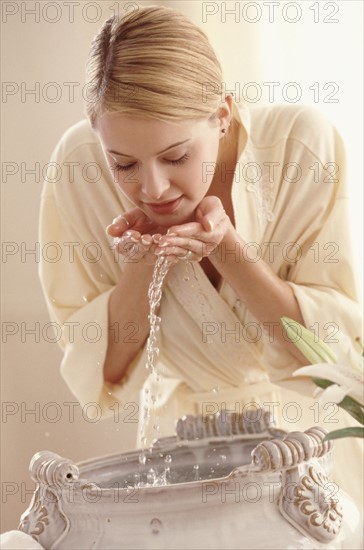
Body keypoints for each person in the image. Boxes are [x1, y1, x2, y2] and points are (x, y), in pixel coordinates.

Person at [39, 5, 362, 505]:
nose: (152, 187)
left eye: (176, 156)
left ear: (222, 113)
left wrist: (230, 251)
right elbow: (102, 375)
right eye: (123, 163)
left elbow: (334, 360)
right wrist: (144, 261)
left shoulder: (302, 145)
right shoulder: (79, 166)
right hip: (179, 462)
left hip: (310, 462)